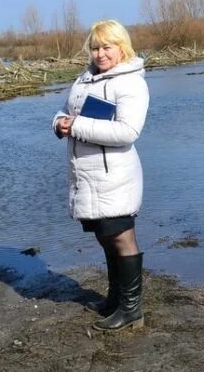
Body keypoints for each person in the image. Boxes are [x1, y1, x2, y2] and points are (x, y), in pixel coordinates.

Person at [52, 19, 149, 331]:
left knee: (122, 237)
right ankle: (115, 299)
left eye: (107, 47)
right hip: (87, 177)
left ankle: (132, 308)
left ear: (122, 47)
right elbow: (64, 111)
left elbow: (127, 131)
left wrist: (76, 126)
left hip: (115, 176)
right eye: (95, 47)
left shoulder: (131, 82)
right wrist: (59, 124)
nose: (100, 53)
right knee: (105, 238)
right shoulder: (84, 80)